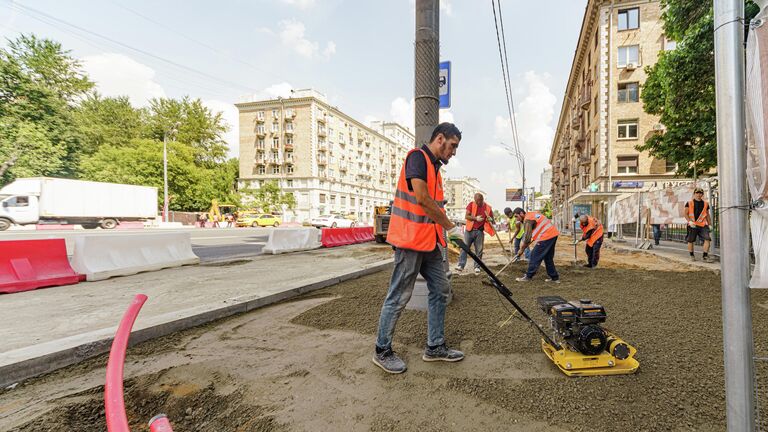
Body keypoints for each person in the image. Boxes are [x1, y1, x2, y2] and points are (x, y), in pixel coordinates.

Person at [373, 123, 465, 374]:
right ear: (439, 138)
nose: (454, 152)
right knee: (399, 295)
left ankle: (434, 346)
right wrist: (450, 227)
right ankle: (382, 350)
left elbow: (432, 204)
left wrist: (445, 231)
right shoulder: (417, 158)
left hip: (429, 242)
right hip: (410, 241)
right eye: (453, 145)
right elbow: (422, 199)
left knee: (441, 289)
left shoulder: (435, 169)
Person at [512, 207, 560, 283]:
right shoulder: (531, 215)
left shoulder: (527, 220)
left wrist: (521, 249)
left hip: (546, 236)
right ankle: (555, 278)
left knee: (534, 255)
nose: (516, 219)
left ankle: (528, 276)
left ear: (521, 213)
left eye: (516, 216)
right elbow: (536, 229)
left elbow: (527, 238)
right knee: (548, 257)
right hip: (553, 234)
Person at [455, 193, 495, 275]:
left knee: (479, 250)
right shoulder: (471, 204)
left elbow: (492, 220)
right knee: (464, 248)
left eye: (479, 201)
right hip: (469, 230)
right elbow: (467, 216)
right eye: (476, 201)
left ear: (482, 199)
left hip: (480, 232)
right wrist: (475, 218)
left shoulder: (488, 208)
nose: (477, 203)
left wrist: (490, 219)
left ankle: (477, 267)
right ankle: (461, 265)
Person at [685, 187, 712, 262]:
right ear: (694, 194)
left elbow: (707, 215)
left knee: (707, 239)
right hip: (692, 224)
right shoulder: (689, 203)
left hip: (702, 225)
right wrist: (689, 221)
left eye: (700, 193)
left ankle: (705, 256)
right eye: (697, 193)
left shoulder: (706, 204)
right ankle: (691, 255)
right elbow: (685, 214)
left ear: (702, 194)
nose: (699, 194)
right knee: (691, 240)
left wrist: (710, 224)